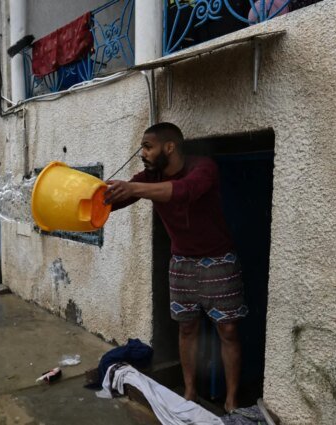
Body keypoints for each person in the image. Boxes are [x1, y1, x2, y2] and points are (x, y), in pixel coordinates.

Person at [104, 122, 247, 412]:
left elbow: (183, 191)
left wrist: (134, 187)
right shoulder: (150, 177)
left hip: (219, 261)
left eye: (148, 147)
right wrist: (85, 199)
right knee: (186, 328)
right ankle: (189, 392)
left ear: (169, 147)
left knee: (229, 330)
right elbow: (114, 200)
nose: (142, 153)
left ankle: (231, 400)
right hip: (181, 262)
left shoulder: (203, 168)